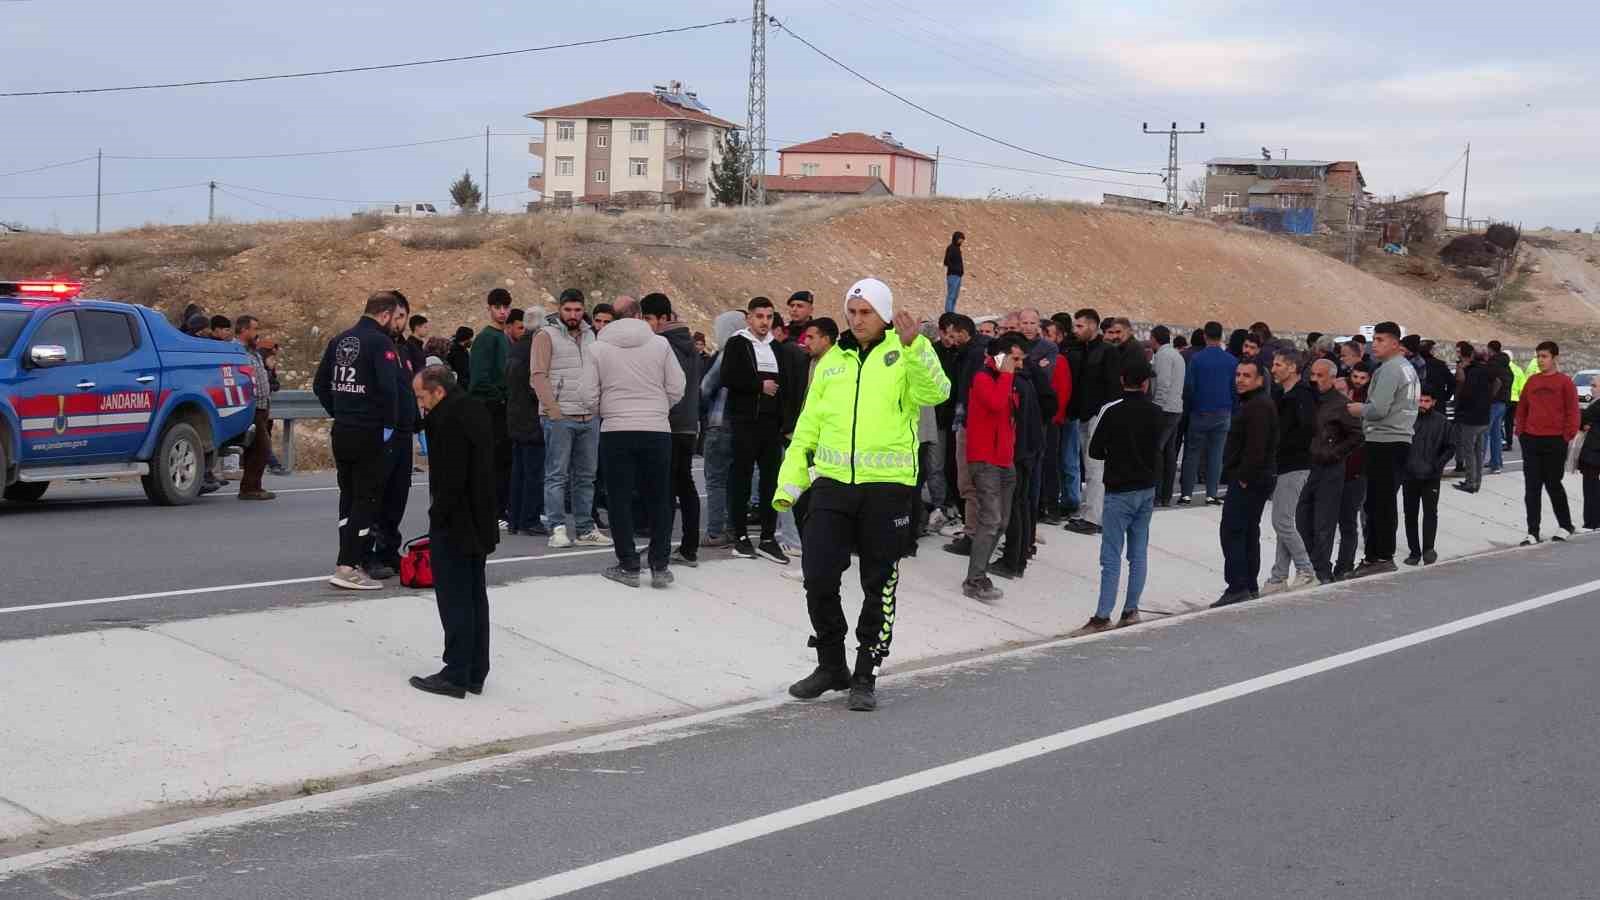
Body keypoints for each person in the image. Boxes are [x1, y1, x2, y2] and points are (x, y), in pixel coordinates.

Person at [777, 278, 950, 712]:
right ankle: (831, 664)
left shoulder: (904, 353)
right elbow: (807, 426)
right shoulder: (832, 361)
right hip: (833, 484)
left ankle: (866, 671)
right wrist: (789, 483)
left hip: (886, 490)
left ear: (885, 313)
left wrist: (917, 349)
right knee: (817, 575)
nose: (857, 320)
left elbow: (937, 392)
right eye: (852, 312)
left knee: (879, 583)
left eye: (866, 312)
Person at [409, 365, 498, 699]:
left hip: (456, 523)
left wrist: (438, 515)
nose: (420, 404)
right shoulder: (474, 408)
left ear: (438, 392)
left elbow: (450, 478)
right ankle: (475, 670)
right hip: (480, 521)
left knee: (455, 599)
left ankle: (456, 673)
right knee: (475, 596)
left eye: (421, 397)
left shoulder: (446, 421)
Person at [591, 297, 685, 587]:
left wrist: (607, 411)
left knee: (618, 499)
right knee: (659, 497)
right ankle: (659, 565)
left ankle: (628, 565)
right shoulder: (660, 345)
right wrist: (657, 408)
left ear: (613, 317)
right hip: (656, 428)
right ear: (641, 315)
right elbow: (676, 386)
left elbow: (586, 393)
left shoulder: (597, 348)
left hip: (616, 430)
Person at [313, 291, 402, 591]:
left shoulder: (340, 340)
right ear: (386, 314)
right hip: (370, 433)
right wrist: (389, 425)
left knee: (348, 497)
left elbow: (319, 384)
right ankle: (347, 566)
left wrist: (339, 410)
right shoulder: (381, 343)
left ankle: (346, 557)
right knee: (367, 499)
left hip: (343, 430)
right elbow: (390, 390)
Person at [1076, 358, 1166, 632]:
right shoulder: (1157, 411)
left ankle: (1103, 615)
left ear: (1122, 380)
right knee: (1138, 552)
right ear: (1145, 383)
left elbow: (1094, 450)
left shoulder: (1110, 410)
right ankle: (1131, 609)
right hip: (1147, 488)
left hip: (1119, 490)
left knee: (1111, 555)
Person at [722, 296, 800, 564]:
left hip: (770, 425)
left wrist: (785, 422)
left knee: (771, 482)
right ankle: (740, 537)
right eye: (759, 317)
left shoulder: (777, 348)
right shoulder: (737, 344)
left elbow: (786, 386)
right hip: (745, 422)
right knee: (742, 479)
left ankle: (768, 537)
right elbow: (729, 377)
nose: (764, 322)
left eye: (768, 317)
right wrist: (759, 386)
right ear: (749, 318)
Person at [531, 288, 610, 549]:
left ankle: (585, 528)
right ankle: (557, 528)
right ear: (560, 308)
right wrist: (552, 409)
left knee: (586, 476)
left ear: (583, 309)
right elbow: (538, 375)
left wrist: (597, 407)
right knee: (557, 475)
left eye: (578, 310)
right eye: (568, 310)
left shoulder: (592, 335)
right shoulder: (545, 335)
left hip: (589, 417)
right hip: (560, 416)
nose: (573, 315)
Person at [1346, 321, 1418, 577]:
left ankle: (1379, 556)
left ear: (1395, 343)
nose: (1374, 345)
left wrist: (1358, 410)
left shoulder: (1390, 369)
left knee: (1378, 503)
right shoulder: (1407, 368)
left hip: (1385, 441)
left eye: (1380, 340)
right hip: (1399, 439)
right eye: (1373, 339)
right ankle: (1379, 555)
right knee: (1383, 501)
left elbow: (1378, 409)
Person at [959, 333, 1022, 601]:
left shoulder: (1007, 380)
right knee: (991, 519)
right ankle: (974, 580)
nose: (1018, 365)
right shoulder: (983, 378)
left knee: (1002, 521)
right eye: (1014, 359)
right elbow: (996, 405)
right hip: (985, 460)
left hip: (1004, 460)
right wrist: (1007, 376)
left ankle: (979, 573)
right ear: (1000, 357)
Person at [641, 293, 702, 568]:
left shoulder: (663, 344)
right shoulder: (690, 344)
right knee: (685, 485)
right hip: (689, 425)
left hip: (668, 424)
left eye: (648, 318)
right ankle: (689, 548)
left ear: (663, 319)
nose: (645, 324)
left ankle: (661, 548)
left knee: (664, 489)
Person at [1213, 358, 1279, 607]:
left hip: (1250, 480)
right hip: (1254, 478)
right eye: (1238, 374)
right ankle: (1248, 585)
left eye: (1247, 376)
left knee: (1234, 530)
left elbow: (1256, 447)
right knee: (1248, 531)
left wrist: (1243, 477)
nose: (1240, 379)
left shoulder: (1258, 407)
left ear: (1260, 380)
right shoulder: (1254, 403)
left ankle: (1238, 586)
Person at [370, 292, 422, 580]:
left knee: (397, 496)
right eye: (396, 316)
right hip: (381, 433)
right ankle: (371, 554)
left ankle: (390, 549)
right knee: (378, 496)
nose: (399, 322)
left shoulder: (404, 350)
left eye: (404, 316)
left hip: (404, 433)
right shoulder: (376, 346)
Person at [1297, 359, 1363, 585]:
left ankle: (1322, 570)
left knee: (1323, 522)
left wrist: (1334, 453)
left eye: (1320, 375)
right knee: (1302, 518)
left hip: (1330, 468)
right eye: (1313, 374)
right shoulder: (1309, 399)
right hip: (1308, 467)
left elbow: (1357, 435)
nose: (1315, 379)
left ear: (1332, 378)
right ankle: (1310, 566)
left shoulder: (1340, 404)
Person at [1261, 347, 1318, 594]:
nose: (1273, 369)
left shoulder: (1302, 396)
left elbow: (1305, 431)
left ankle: (1306, 570)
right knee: (1283, 521)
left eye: (1278, 365)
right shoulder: (1281, 394)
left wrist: (1279, 446)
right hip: (1282, 464)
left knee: (1281, 521)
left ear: (1293, 367)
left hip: (1295, 465)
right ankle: (1278, 577)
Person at [1514, 341, 1580, 545]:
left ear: (1554, 358)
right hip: (1531, 440)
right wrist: (1521, 432)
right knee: (1531, 487)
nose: (1540, 360)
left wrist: (1566, 436)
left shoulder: (1565, 382)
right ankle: (1532, 531)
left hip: (1555, 441)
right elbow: (1522, 408)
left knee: (1553, 484)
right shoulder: (1532, 381)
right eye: (1538, 356)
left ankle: (1565, 525)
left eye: (1544, 356)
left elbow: (1573, 412)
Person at [1064, 309, 1118, 535]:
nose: (1075, 330)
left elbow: (1114, 387)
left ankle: (1093, 518)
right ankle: (1089, 513)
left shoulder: (1107, 352)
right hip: (1084, 416)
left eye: (1080, 326)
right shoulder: (1082, 350)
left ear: (1093, 326)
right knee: (1090, 468)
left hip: (1099, 416)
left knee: (1096, 468)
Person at [699, 310, 749, 548]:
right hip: (743, 427)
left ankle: (714, 532)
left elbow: (706, 387)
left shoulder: (727, 353)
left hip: (720, 424)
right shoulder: (754, 352)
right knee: (735, 481)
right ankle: (733, 529)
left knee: (716, 481)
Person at [468, 289, 514, 526]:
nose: (502, 311)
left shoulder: (503, 336)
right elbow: (478, 380)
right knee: (492, 464)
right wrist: (501, 397)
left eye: (506, 307)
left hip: (503, 409)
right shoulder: (486, 338)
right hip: (490, 410)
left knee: (504, 463)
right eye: (498, 307)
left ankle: (501, 508)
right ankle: (493, 512)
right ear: (489, 308)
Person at [1180, 321, 1237, 505]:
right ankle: (1211, 494)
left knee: (1192, 453)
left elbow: (1189, 387)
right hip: (1223, 411)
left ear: (1205, 336)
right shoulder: (1231, 360)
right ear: (1221, 336)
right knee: (1216, 454)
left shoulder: (1197, 359)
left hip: (1200, 411)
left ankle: (1186, 494)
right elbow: (1234, 388)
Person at [505, 307, 547, 536]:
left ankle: (516, 519)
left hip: (515, 416)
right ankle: (530, 519)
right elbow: (536, 384)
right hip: (532, 417)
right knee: (533, 472)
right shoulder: (536, 348)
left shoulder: (516, 347)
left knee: (519, 471)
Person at [1403, 386, 1455, 566]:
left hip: (1430, 475)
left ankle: (1428, 549)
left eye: (1426, 401)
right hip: (1409, 475)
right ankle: (1414, 552)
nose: (1423, 404)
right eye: (1420, 400)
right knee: (1410, 514)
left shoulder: (1442, 422)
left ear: (1433, 402)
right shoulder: (1407, 419)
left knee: (1430, 512)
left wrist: (1437, 466)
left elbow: (1450, 447)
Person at [1336, 363, 1373, 579]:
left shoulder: (1369, 402)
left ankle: (1348, 564)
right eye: (1355, 376)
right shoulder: (1342, 398)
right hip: (1339, 469)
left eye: (1362, 377)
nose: (1358, 380)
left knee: (1356, 519)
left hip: (1359, 470)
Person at [234, 315, 276, 502]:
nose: (256, 333)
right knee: (262, 447)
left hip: (261, 405)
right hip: (251, 406)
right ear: (243, 330)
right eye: (253, 329)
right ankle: (250, 488)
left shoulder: (253, 352)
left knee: (256, 448)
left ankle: (251, 486)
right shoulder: (237, 352)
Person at [1450, 344, 1494, 494]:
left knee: (1469, 451)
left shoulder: (1472, 372)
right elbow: (1498, 383)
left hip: (1470, 417)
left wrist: (1460, 403)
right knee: (1478, 452)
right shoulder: (1488, 370)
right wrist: (1488, 400)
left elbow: (1464, 389)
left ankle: (1470, 483)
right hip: (1484, 416)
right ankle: (1477, 482)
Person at [1149, 325, 1185, 506]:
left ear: (1155, 338)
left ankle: (1155, 494)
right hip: (1176, 408)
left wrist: (1156, 405)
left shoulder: (1163, 356)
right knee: (1169, 453)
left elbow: (1162, 383)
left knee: (1156, 450)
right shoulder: (1177, 355)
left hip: (1164, 409)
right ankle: (1166, 495)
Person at [1487, 340, 1515, 457]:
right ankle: (1496, 463)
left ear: (1490, 349)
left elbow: (1496, 382)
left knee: (1485, 433)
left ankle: (1482, 461)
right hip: (1504, 401)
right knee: (1496, 433)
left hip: (1494, 402)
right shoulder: (1507, 366)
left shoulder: (1493, 364)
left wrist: (1490, 396)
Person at [1579, 400, 1600, 531]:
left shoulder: (1596, 405)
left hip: (1594, 449)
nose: (1591, 388)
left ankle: (1591, 521)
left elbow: (1583, 417)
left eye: (1595, 385)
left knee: (1590, 484)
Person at [943, 231, 965, 313]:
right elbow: (946, 262)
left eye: (962, 240)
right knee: (951, 296)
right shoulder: (951, 248)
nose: (961, 241)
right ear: (956, 238)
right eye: (960, 239)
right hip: (953, 275)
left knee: (955, 296)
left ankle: (952, 313)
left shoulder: (958, 249)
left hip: (958, 276)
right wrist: (956, 269)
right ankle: (948, 314)